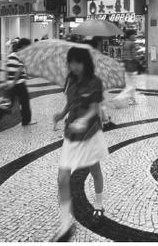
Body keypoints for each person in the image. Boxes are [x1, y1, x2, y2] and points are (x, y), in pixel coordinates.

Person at [52, 47, 109, 241]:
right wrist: (61, 114)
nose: (74, 66)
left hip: (90, 134)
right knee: (62, 179)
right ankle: (66, 223)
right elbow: (70, 102)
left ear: (86, 63)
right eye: (71, 62)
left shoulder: (95, 82)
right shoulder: (70, 80)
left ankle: (99, 206)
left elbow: (94, 108)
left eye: (77, 62)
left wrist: (84, 120)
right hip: (71, 133)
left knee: (94, 171)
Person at [5, 38, 36, 126]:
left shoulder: (11, 55)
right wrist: (14, 82)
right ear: (24, 46)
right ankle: (26, 121)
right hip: (19, 84)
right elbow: (18, 70)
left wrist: (7, 82)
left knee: (8, 103)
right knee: (25, 102)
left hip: (11, 83)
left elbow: (8, 69)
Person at [120, 30, 138, 105]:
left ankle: (132, 100)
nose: (135, 36)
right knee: (132, 84)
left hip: (126, 63)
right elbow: (134, 56)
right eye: (134, 34)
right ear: (130, 35)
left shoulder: (125, 43)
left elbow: (123, 55)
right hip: (131, 64)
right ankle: (120, 98)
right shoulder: (132, 43)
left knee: (130, 83)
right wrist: (138, 62)